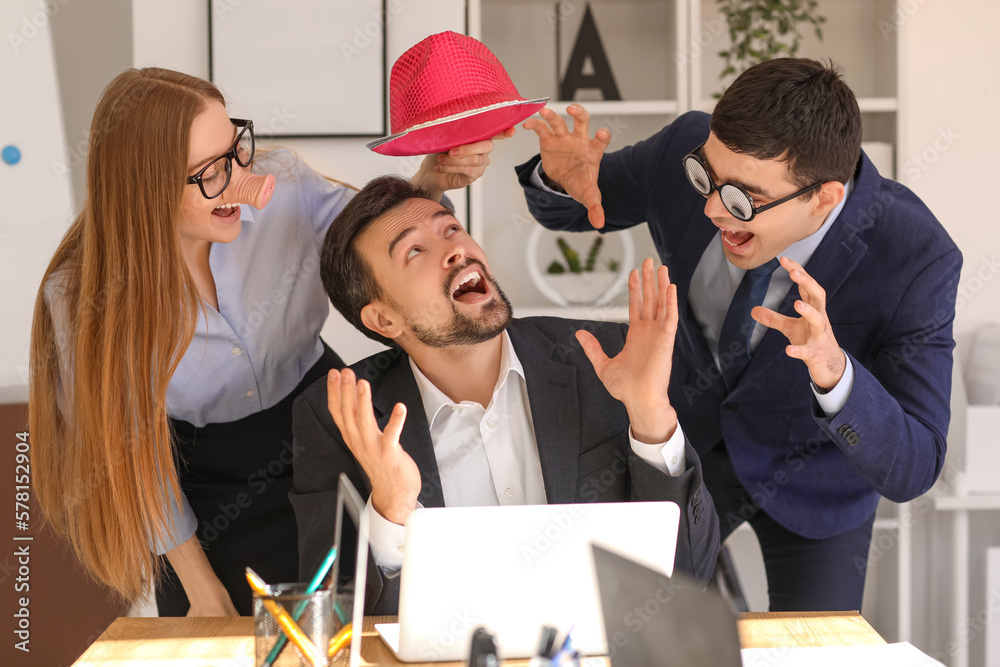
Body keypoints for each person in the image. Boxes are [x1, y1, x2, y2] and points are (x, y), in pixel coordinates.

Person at [29, 67, 499, 616]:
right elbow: (131, 455)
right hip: (202, 484)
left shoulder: (288, 187)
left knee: (368, 617)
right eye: (207, 173)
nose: (239, 181)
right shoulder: (83, 300)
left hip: (328, 429)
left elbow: (376, 254)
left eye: (236, 151)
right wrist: (202, 591)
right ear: (144, 189)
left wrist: (431, 181)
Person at [516, 58, 961, 611]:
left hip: (815, 484)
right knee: (627, 625)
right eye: (707, 179)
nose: (709, 207)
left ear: (822, 198)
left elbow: (915, 466)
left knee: (811, 653)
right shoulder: (689, 149)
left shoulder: (916, 256)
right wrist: (561, 181)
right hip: (685, 449)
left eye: (741, 200)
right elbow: (583, 209)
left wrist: (835, 372)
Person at [289, 175, 720, 613]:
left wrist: (651, 418)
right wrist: (391, 510)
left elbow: (688, 579)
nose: (455, 249)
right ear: (383, 320)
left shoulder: (604, 359)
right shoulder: (338, 419)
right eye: (414, 250)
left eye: (451, 228)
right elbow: (333, 617)